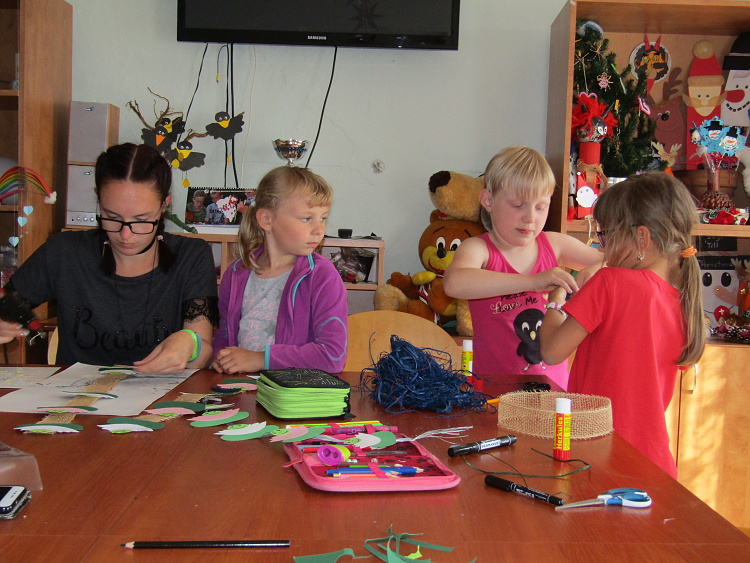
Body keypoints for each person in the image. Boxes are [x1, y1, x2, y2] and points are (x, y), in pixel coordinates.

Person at [539, 172, 705, 477]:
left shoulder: (611, 281)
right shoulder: (684, 300)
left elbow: (551, 352)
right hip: (653, 465)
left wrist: (554, 299)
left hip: (600, 457)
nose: (603, 248)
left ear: (642, 238)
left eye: (607, 234)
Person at [0, 143, 219, 373]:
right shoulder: (63, 252)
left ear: (164, 205)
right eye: (112, 217)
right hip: (75, 394)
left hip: (163, 395)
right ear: (98, 199)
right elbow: (7, 305)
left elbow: (202, 353)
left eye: (141, 220)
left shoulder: (191, 255)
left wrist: (191, 344)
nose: (125, 235)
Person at [443, 146, 602, 390]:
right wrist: (532, 282)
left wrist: (596, 269)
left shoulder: (555, 244)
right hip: (493, 393)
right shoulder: (478, 249)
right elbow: (454, 283)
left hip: (553, 392)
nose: (530, 218)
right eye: (518, 205)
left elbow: (619, 262)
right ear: (488, 201)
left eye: (541, 207)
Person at [212, 166, 348, 374]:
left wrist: (262, 359)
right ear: (267, 220)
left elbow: (333, 355)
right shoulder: (236, 273)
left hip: (291, 390)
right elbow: (224, 335)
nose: (319, 229)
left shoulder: (322, 276)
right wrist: (220, 358)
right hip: (241, 386)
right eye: (306, 218)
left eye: (323, 218)